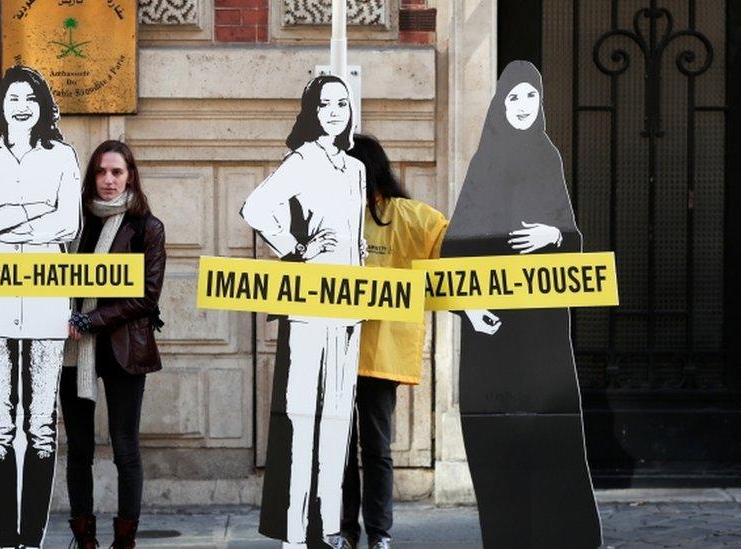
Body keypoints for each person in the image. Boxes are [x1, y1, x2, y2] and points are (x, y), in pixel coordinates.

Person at [441, 60, 602, 548]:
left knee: (552, 429)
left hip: (541, 328)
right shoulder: (484, 161)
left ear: (540, 103)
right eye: (513, 98)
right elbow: (453, 251)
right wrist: (468, 308)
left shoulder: (548, 158)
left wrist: (554, 232)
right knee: (500, 435)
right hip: (492, 328)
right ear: (500, 104)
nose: (522, 107)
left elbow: (572, 239)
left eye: (530, 97)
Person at [0, 65, 81, 548]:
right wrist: (33, 214)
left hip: (47, 296)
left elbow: (66, 222)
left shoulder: (63, 158)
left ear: (43, 106)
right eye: (13, 98)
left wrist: (2, 220)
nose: (21, 106)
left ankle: (32, 538)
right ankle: (6, 539)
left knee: (42, 423)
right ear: (1, 107)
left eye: (30, 97)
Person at [241, 75, 367, 548]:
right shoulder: (302, 160)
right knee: (300, 417)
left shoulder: (355, 168)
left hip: (348, 306)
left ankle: (329, 526)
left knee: (338, 418)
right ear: (312, 111)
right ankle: (295, 531)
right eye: (326, 103)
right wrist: (297, 247)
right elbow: (255, 207)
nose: (335, 110)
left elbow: (355, 237)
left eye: (342, 103)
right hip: (309, 301)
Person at [335, 134, 448, 549]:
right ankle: (347, 530)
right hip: (337, 352)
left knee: (375, 450)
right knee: (342, 453)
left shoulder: (404, 216)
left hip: (379, 355)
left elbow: (449, 246)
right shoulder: (331, 214)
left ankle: (378, 533)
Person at [61, 140, 166, 549]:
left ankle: (125, 542)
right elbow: (55, 279)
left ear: (130, 176)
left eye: (116, 172)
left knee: (125, 448)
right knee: (79, 450)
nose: (108, 180)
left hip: (123, 348)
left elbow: (146, 296)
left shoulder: (146, 227)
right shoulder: (73, 224)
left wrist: (90, 320)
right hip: (74, 352)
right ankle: (84, 539)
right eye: (101, 172)